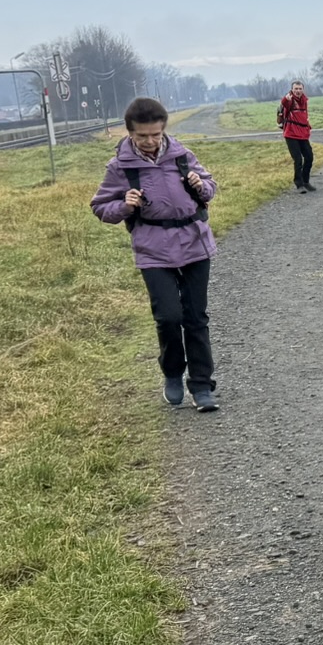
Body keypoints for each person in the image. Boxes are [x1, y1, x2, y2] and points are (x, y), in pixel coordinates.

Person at [91, 96, 221, 412]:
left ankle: (201, 386)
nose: (150, 141)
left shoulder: (182, 155)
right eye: (142, 136)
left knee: (195, 318)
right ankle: (172, 373)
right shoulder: (119, 167)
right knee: (168, 317)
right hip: (152, 249)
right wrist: (125, 205)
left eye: (156, 134)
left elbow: (210, 186)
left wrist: (200, 185)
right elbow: (100, 207)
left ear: (163, 129)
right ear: (129, 132)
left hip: (194, 243)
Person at [277, 79, 315, 193]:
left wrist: (308, 128)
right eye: (296, 89)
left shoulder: (304, 101)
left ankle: (305, 181)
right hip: (291, 134)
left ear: (303, 89)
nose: (298, 91)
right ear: (292, 90)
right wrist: (286, 99)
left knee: (309, 157)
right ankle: (299, 184)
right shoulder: (289, 100)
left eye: (300, 89)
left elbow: (305, 116)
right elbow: (284, 103)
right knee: (298, 160)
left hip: (302, 134)